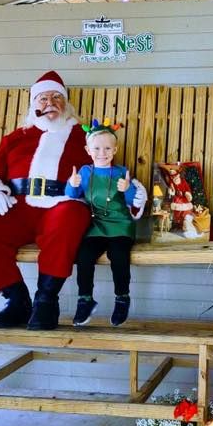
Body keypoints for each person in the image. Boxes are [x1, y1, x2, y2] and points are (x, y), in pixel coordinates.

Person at [0, 71, 91, 330]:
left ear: (66, 104)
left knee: (71, 216)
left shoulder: (84, 136)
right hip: (18, 205)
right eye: (42, 98)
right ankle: (17, 301)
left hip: (62, 203)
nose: (50, 102)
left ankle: (46, 302)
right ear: (33, 105)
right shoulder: (16, 138)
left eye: (56, 97)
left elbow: (104, 167)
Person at [66, 120, 147, 326]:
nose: (102, 153)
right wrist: (72, 185)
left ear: (115, 149)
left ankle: (122, 297)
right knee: (84, 255)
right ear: (88, 150)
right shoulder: (85, 172)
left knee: (119, 255)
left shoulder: (120, 172)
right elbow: (73, 195)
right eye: (97, 148)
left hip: (120, 225)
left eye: (108, 148)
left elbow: (131, 201)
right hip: (96, 225)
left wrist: (127, 188)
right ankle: (85, 299)